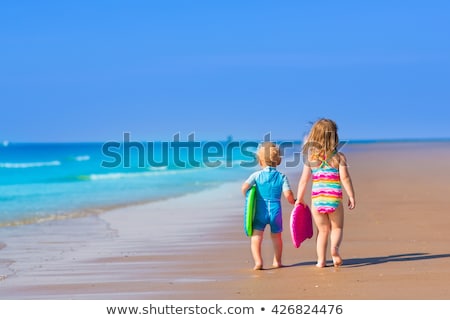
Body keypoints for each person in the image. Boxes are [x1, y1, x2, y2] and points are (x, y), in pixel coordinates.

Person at [296, 118, 356, 268]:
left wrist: (300, 199)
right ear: (334, 137)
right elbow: (345, 178)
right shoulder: (339, 158)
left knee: (322, 231)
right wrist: (351, 195)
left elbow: (304, 180)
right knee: (337, 228)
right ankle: (334, 250)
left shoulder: (310, 159)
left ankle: (321, 260)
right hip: (334, 199)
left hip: (317, 200)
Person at [242, 141, 296, 270]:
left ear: (260, 161)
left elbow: (244, 188)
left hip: (260, 211)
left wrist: (249, 198)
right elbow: (288, 195)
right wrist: (294, 201)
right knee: (277, 237)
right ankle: (277, 261)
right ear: (278, 161)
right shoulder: (282, 177)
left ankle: (258, 262)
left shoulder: (256, 175)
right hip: (275, 211)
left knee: (256, 236)